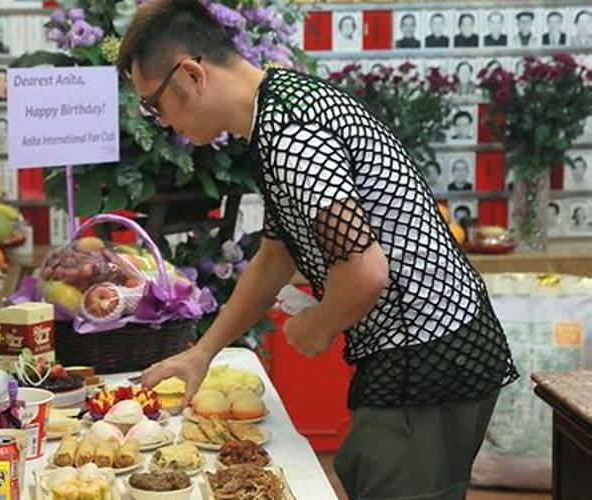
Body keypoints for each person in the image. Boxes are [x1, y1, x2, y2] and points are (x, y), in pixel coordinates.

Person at [118, 1, 517, 499]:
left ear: (192, 74)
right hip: (432, 349)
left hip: (427, 356)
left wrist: (318, 325)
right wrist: (202, 353)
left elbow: (365, 272)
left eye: (154, 104)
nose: (159, 121)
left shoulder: (290, 135)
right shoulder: (281, 109)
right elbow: (275, 256)